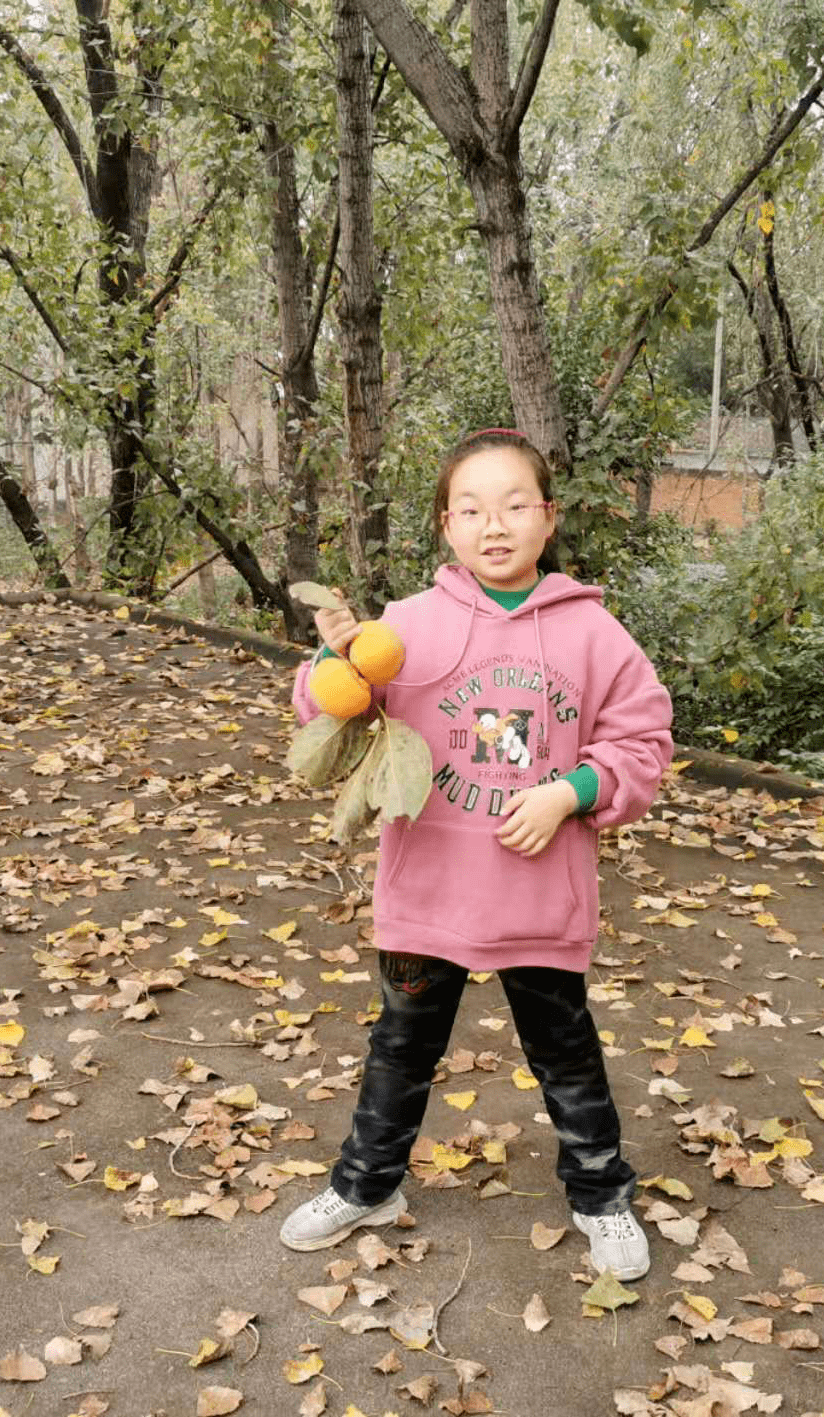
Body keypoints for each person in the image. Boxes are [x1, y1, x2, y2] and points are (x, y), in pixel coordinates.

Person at [281, 429, 674, 1281]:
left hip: (539, 902)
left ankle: (601, 1195)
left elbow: (643, 740)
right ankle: (366, 1183)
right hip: (429, 898)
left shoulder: (595, 634)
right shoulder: (406, 628)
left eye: (514, 505)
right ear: (445, 527)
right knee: (401, 1046)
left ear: (548, 518)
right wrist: (334, 653)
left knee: (566, 1053)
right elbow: (328, 712)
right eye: (471, 509)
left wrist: (571, 790)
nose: (493, 525)